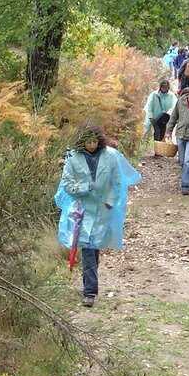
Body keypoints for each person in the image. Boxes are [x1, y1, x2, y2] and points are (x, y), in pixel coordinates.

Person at [55, 124, 141, 307]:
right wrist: (86, 188)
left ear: (100, 141)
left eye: (95, 141)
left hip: (103, 208)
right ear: (82, 141)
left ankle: (90, 284)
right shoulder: (73, 157)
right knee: (87, 247)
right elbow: (67, 184)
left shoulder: (109, 156)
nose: (92, 145)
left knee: (94, 248)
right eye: (88, 141)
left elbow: (117, 181)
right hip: (82, 208)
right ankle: (90, 291)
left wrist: (111, 200)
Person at [144, 79, 176, 143]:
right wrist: (150, 116)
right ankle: (157, 150)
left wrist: (169, 114)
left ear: (168, 88)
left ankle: (160, 149)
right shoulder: (154, 94)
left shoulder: (171, 95)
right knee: (157, 133)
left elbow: (174, 106)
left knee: (162, 133)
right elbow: (149, 106)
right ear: (160, 87)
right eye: (162, 87)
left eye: (165, 87)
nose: (164, 89)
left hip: (165, 118)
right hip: (155, 118)